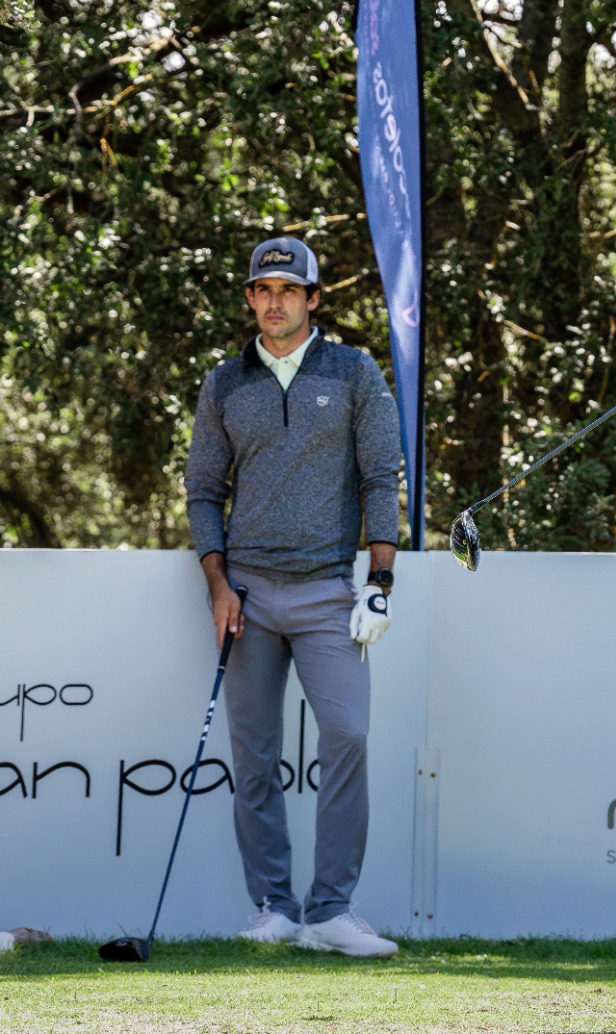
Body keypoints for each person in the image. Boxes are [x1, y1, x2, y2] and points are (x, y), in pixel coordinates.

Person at [184, 236, 402, 958]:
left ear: (313, 299)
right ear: (250, 298)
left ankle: (331, 911)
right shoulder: (223, 382)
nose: (273, 300)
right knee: (254, 755)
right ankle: (274, 908)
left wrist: (379, 581)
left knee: (348, 736)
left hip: (325, 593)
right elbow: (203, 491)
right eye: (261, 289)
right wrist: (216, 582)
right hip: (245, 592)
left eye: (288, 289)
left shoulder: (353, 370)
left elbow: (379, 476)